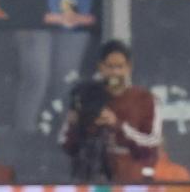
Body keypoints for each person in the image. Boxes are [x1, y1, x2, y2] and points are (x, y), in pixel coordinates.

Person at [60, 40, 162, 183]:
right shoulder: (85, 96)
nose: (115, 72)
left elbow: (151, 144)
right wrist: (78, 124)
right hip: (90, 181)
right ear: (101, 67)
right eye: (110, 67)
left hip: (132, 184)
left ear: (129, 68)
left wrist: (116, 125)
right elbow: (66, 144)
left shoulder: (145, 100)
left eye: (120, 67)